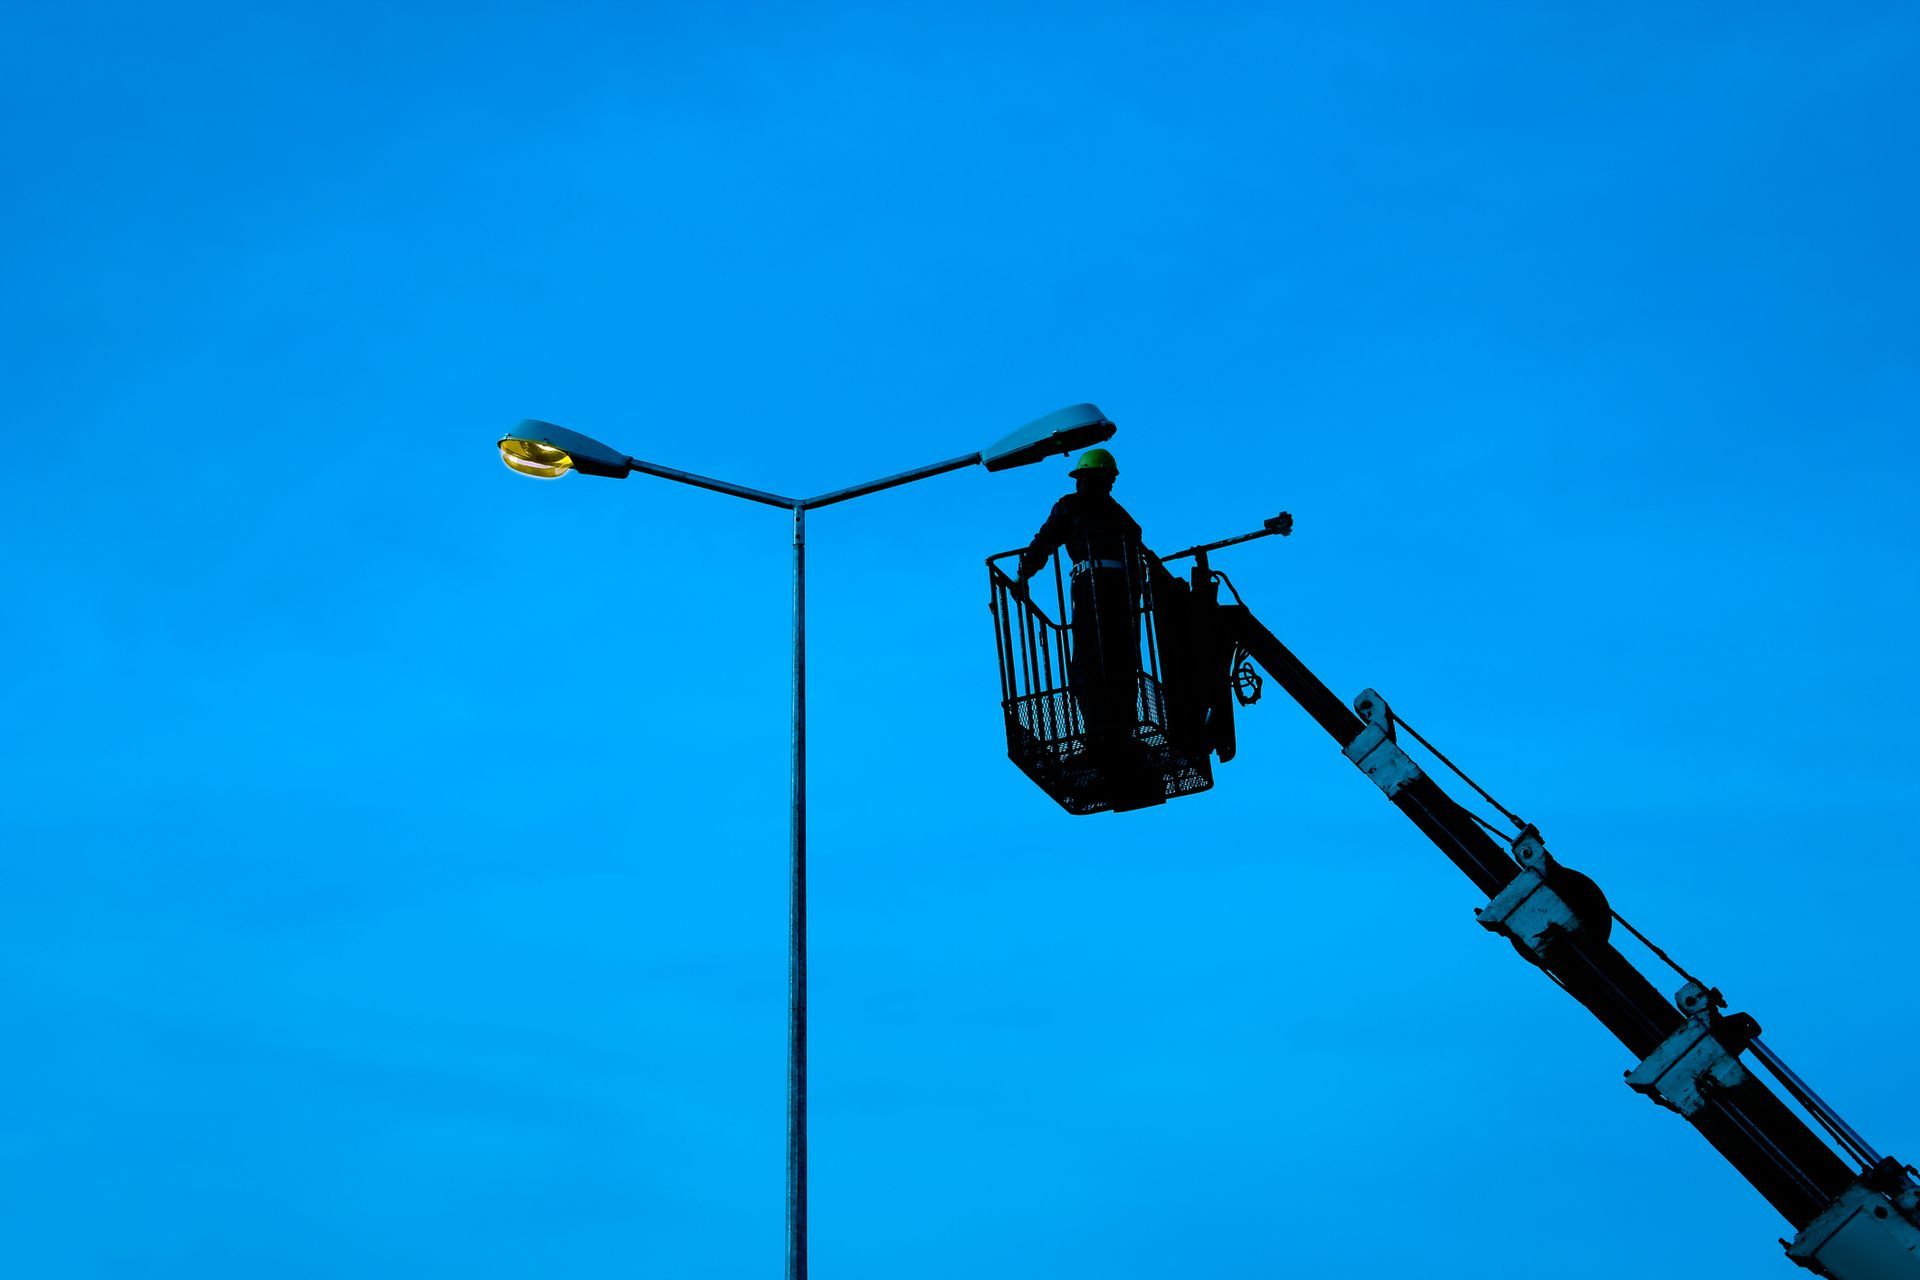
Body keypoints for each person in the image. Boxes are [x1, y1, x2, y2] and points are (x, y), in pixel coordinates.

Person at [1015, 448, 1148, 764]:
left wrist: (1024, 573)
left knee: (1088, 662)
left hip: (1092, 587)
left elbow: (1044, 541)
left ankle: (1098, 736)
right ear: (1109, 481)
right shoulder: (1123, 518)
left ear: (1082, 479)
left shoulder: (1071, 507)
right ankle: (1122, 733)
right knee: (1122, 661)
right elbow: (1139, 561)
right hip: (1123, 592)